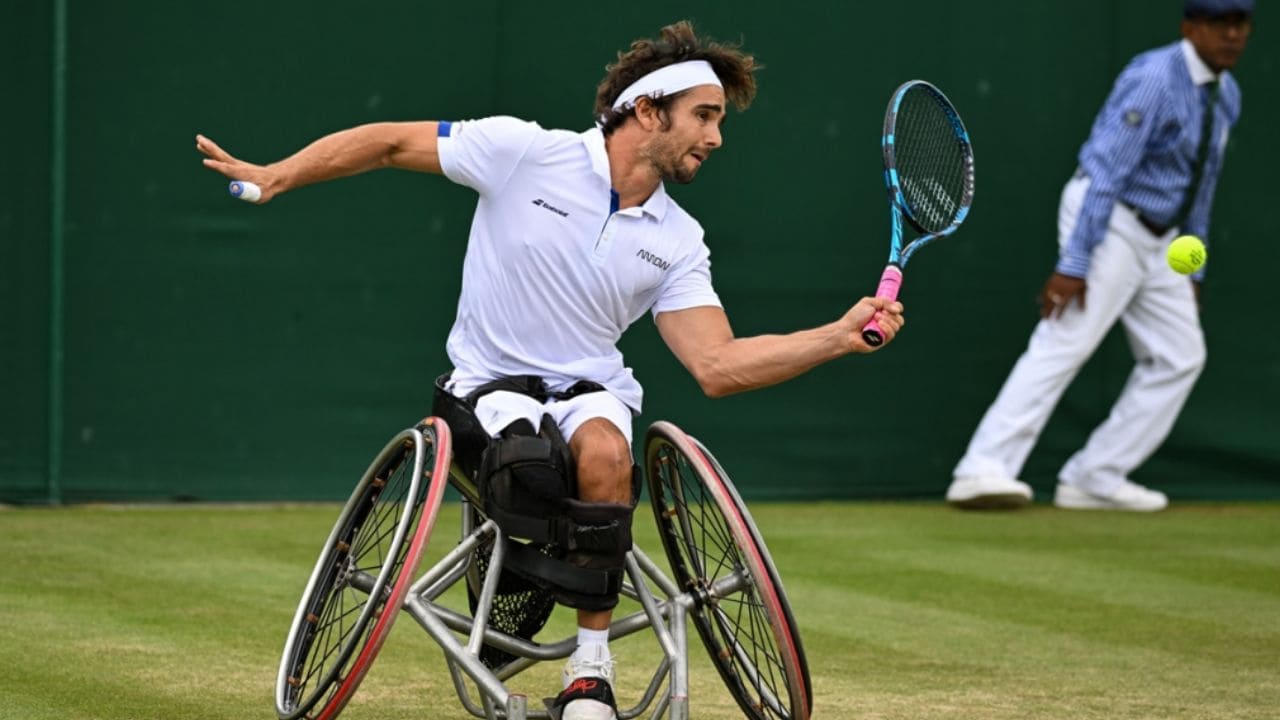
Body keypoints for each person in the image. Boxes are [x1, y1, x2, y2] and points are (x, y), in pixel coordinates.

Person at [198, 20, 904, 720]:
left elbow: (717, 365)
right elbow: (386, 143)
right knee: (531, 465)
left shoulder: (681, 240)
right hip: (484, 390)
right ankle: (511, 580)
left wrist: (837, 337)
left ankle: (589, 676)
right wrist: (277, 175)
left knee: (605, 455)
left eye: (719, 120)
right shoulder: (524, 153)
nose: (716, 137)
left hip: (588, 393)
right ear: (647, 110)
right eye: (704, 115)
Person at [946, 0, 1252, 513]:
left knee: (1181, 356)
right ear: (1190, 28)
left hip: (1163, 239)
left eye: (1240, 24)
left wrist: (1194, 268)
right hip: (1109, 220)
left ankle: (1095, 476)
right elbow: (1107, 171)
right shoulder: (1155, 79)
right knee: (1066, 339)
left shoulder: (1228, 94)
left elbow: (1205, 183)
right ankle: (980, 469)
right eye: (1220, 24)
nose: (1233, 35)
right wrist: (1075, 262)